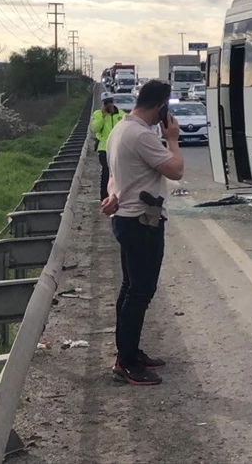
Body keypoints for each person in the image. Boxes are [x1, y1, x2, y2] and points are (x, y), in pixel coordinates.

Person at [100, 80, 184, 386]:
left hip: (127, 217)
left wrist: (115, 194)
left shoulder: (120, 129)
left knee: (130, 289)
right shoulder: (141, 135)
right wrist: (172, 139)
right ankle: (127, 362)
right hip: (142, 223)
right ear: (161, 105)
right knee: (140, 292)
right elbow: (175, 170)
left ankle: (129, 352)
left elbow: (114, 175)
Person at [90, 93, 125, 201]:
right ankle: (104, 197)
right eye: (106, 103)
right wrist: (103, 116)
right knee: (106, 171)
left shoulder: (121, 114)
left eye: (110, 102)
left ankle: (119, 195)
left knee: (119, 172)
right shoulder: (98, 114)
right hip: (104, 148)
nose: (108, 105)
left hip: (118, 148)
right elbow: (95, 129)